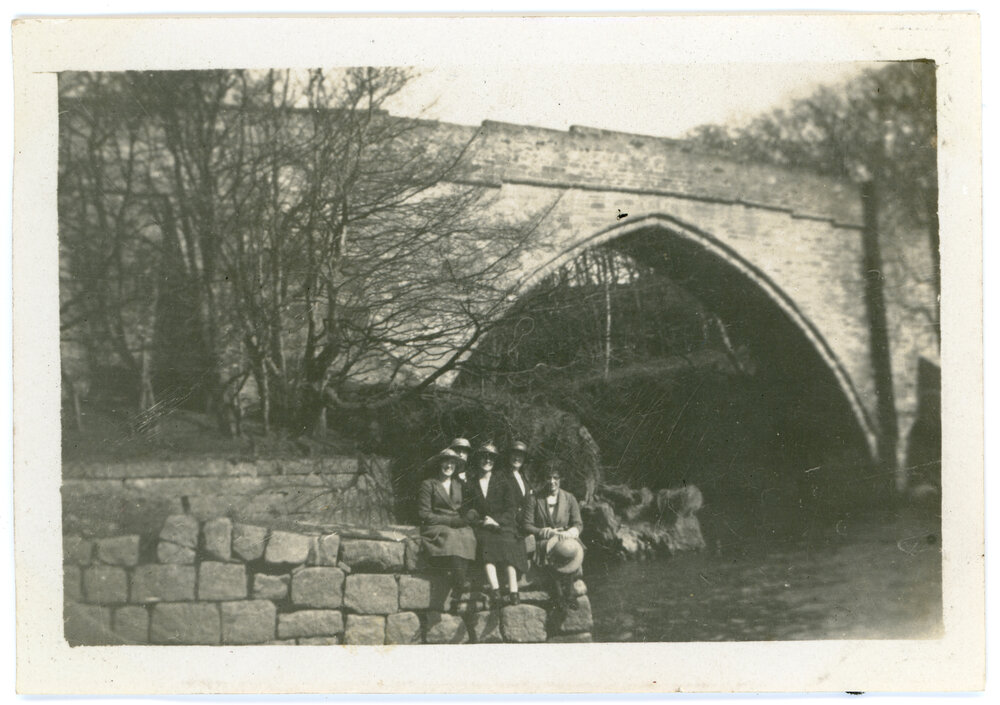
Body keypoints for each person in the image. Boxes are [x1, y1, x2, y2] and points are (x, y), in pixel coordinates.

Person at [468, 441, 529, 608]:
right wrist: (480, 520)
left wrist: (498, 521)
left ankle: (513, 591)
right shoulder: (472, 483)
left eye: (491, 459)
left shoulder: (502, 480)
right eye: (484, 458)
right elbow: (470, 509)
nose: (487, 461)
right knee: (486, 542)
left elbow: (510, 508)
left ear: (494, 462)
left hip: (504, 522)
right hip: (483, 525)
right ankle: (495, 590)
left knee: (508, 541)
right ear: (479, 460)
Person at [417, 448, 477, 613]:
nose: (448, 465)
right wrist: (451, 521)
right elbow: (424, 514)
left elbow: (469, 506)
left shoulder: (459, 485)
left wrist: (471, 514)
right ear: (439, 463)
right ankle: (459, 583)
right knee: (451, 536)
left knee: (469, 536)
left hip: (457, 524)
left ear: (456, 466)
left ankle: (458, 588)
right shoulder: (429, 484)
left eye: (452, 463)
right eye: (445, 462)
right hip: (436, 525)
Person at [524, 465, 585, 611]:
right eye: (548, 478)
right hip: (545, 539)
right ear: (544, 480)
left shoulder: (569, 498)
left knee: (568, 548)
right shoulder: (535, 498)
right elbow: (527, 524)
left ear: (560, 479)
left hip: (565, 537)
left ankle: (569, 594)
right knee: (551, 550)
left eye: (555, 478)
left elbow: (578, 523)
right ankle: (558, 595)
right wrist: (543, 531)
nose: (552, 481)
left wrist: (571, 531)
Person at [502, 440, 535, 560]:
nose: (517, 458)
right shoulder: (502, 476)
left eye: (520, 455)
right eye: (514, 454)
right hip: (508, 522)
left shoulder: (524, 478)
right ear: (509, 456)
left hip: (523, 523)